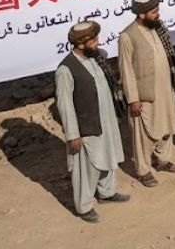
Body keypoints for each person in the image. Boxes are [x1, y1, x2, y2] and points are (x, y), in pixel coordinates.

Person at [55, 21, 128, 222]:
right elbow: (65, 105)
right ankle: (84, 206)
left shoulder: (95, 59)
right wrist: (72, 135)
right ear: (80, 45)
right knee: (86, 168)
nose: (98, 43)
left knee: (108, 156)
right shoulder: (66, 70)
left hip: (106, 120)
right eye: (93, 40)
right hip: (86, 126)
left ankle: (107, 192)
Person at [118, 0, 175, 187]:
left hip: (165, 88)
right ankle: (143, 170)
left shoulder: (158, 28)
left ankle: (163, 160)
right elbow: (126, 70)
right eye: (154, 12)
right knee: (143, 132)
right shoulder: (127, 36)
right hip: (144, 94)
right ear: (142, 15)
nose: (158, 15)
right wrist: (133, 99)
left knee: (167, 124)